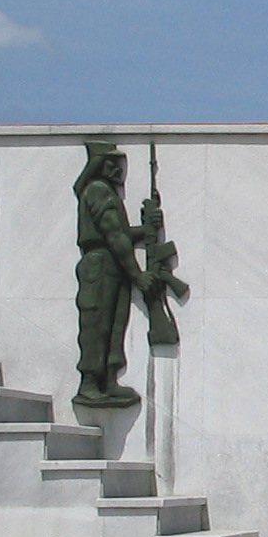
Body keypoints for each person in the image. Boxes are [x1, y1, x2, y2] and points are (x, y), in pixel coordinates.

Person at [73, 141, 159, 409]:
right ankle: (89, 383)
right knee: (97, 322)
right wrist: (137, 275)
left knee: (115, 324)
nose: (118, 169)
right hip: (100, 264)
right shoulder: (98, 190)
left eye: (119, 163)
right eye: (111, 163)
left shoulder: (108, 192)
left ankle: (109, 380)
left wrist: (146, 230)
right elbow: (113, 235)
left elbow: (120, 233)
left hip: (113, 264)